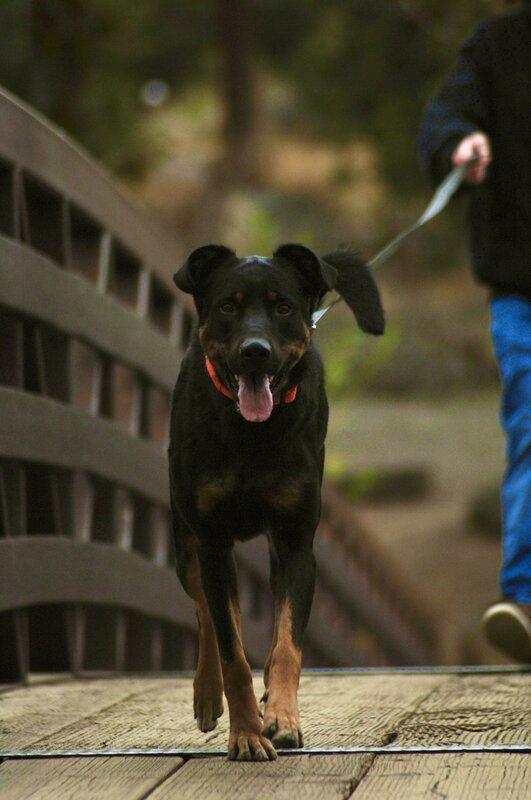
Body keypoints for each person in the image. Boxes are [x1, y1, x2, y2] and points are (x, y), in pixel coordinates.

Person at [418, 1, 531, 662]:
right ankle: (522, 600)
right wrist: (459, 142)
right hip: (521, 294)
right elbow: (440, 118)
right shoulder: (494, 47)